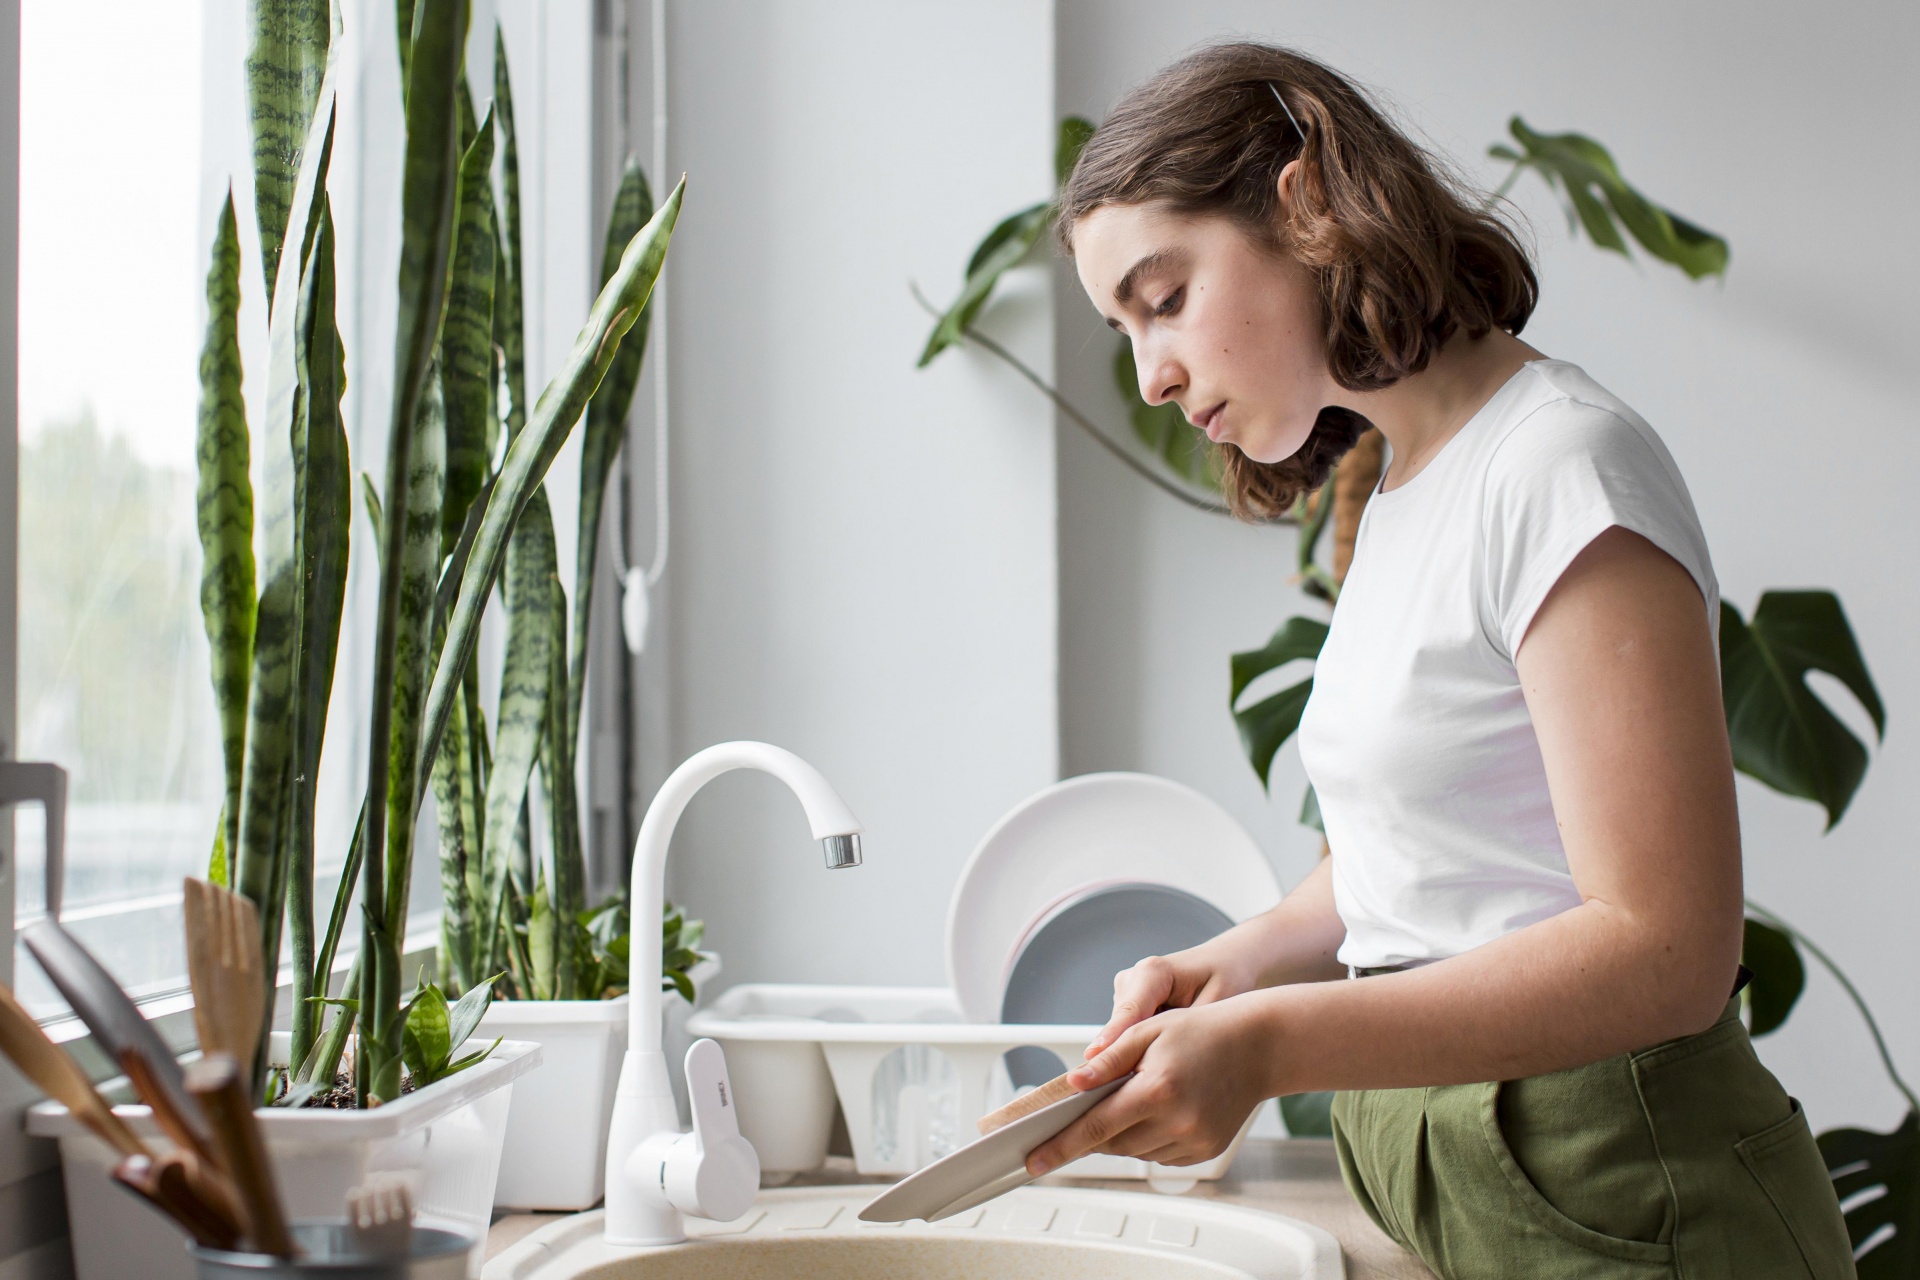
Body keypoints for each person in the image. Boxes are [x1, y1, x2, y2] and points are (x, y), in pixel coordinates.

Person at [1027, 41, 1855, 1280]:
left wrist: (1271, 1046)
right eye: (1124, 327)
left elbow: (1670, 948)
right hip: (1468, 1190)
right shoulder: (1397, 489)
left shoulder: (1561, 466)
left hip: (1635, 1204)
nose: (1150, 375)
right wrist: (1230, 965)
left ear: (1302, 202)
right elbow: (1403, 870)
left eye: (1165, 298)